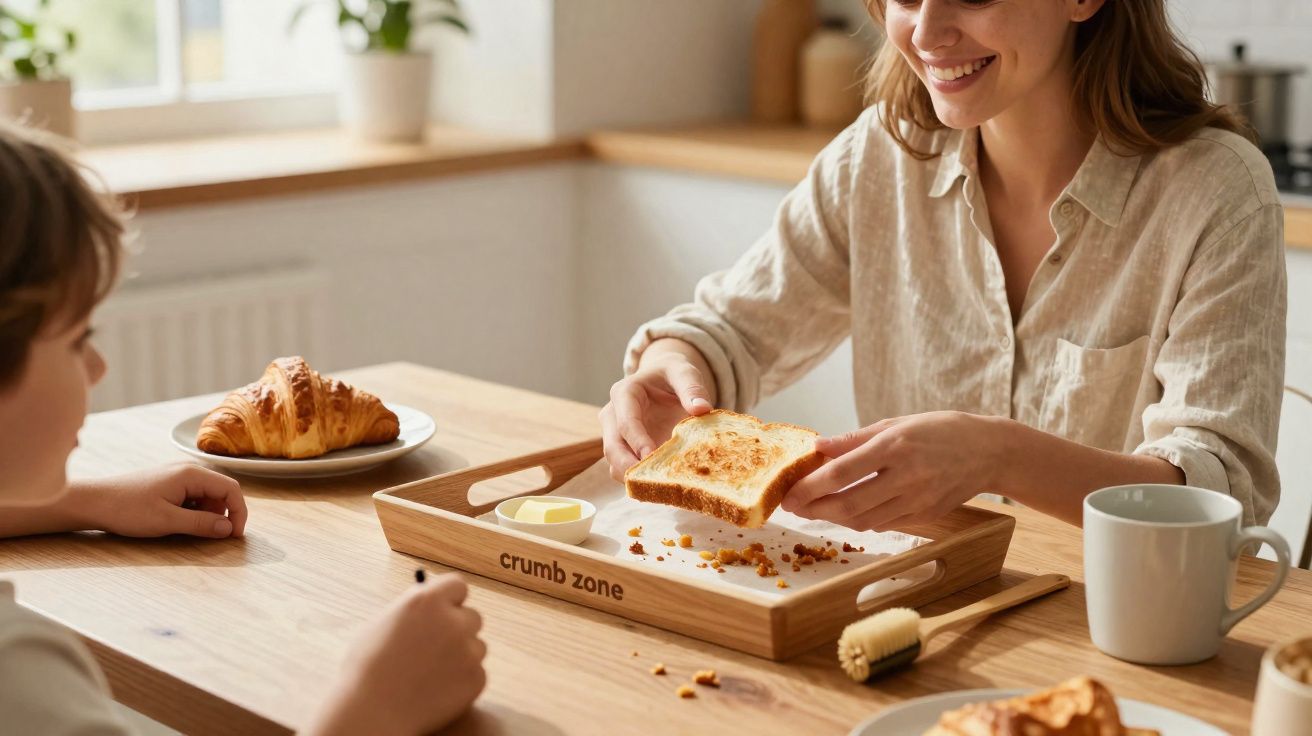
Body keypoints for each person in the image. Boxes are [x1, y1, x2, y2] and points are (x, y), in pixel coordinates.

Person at [601, 0, 1285, 530]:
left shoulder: (1215, 192)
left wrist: (1001, 457)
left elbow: (1220, 493)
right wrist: (670, 365)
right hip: (912, 607)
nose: (927, 33)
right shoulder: (879, 156)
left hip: (1116, 630)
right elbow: (733, 331)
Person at [0, 122, 486, 735]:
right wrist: (374, 707)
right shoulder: (18, 672)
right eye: (77, 340)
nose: (98, 368)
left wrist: (87, 502)